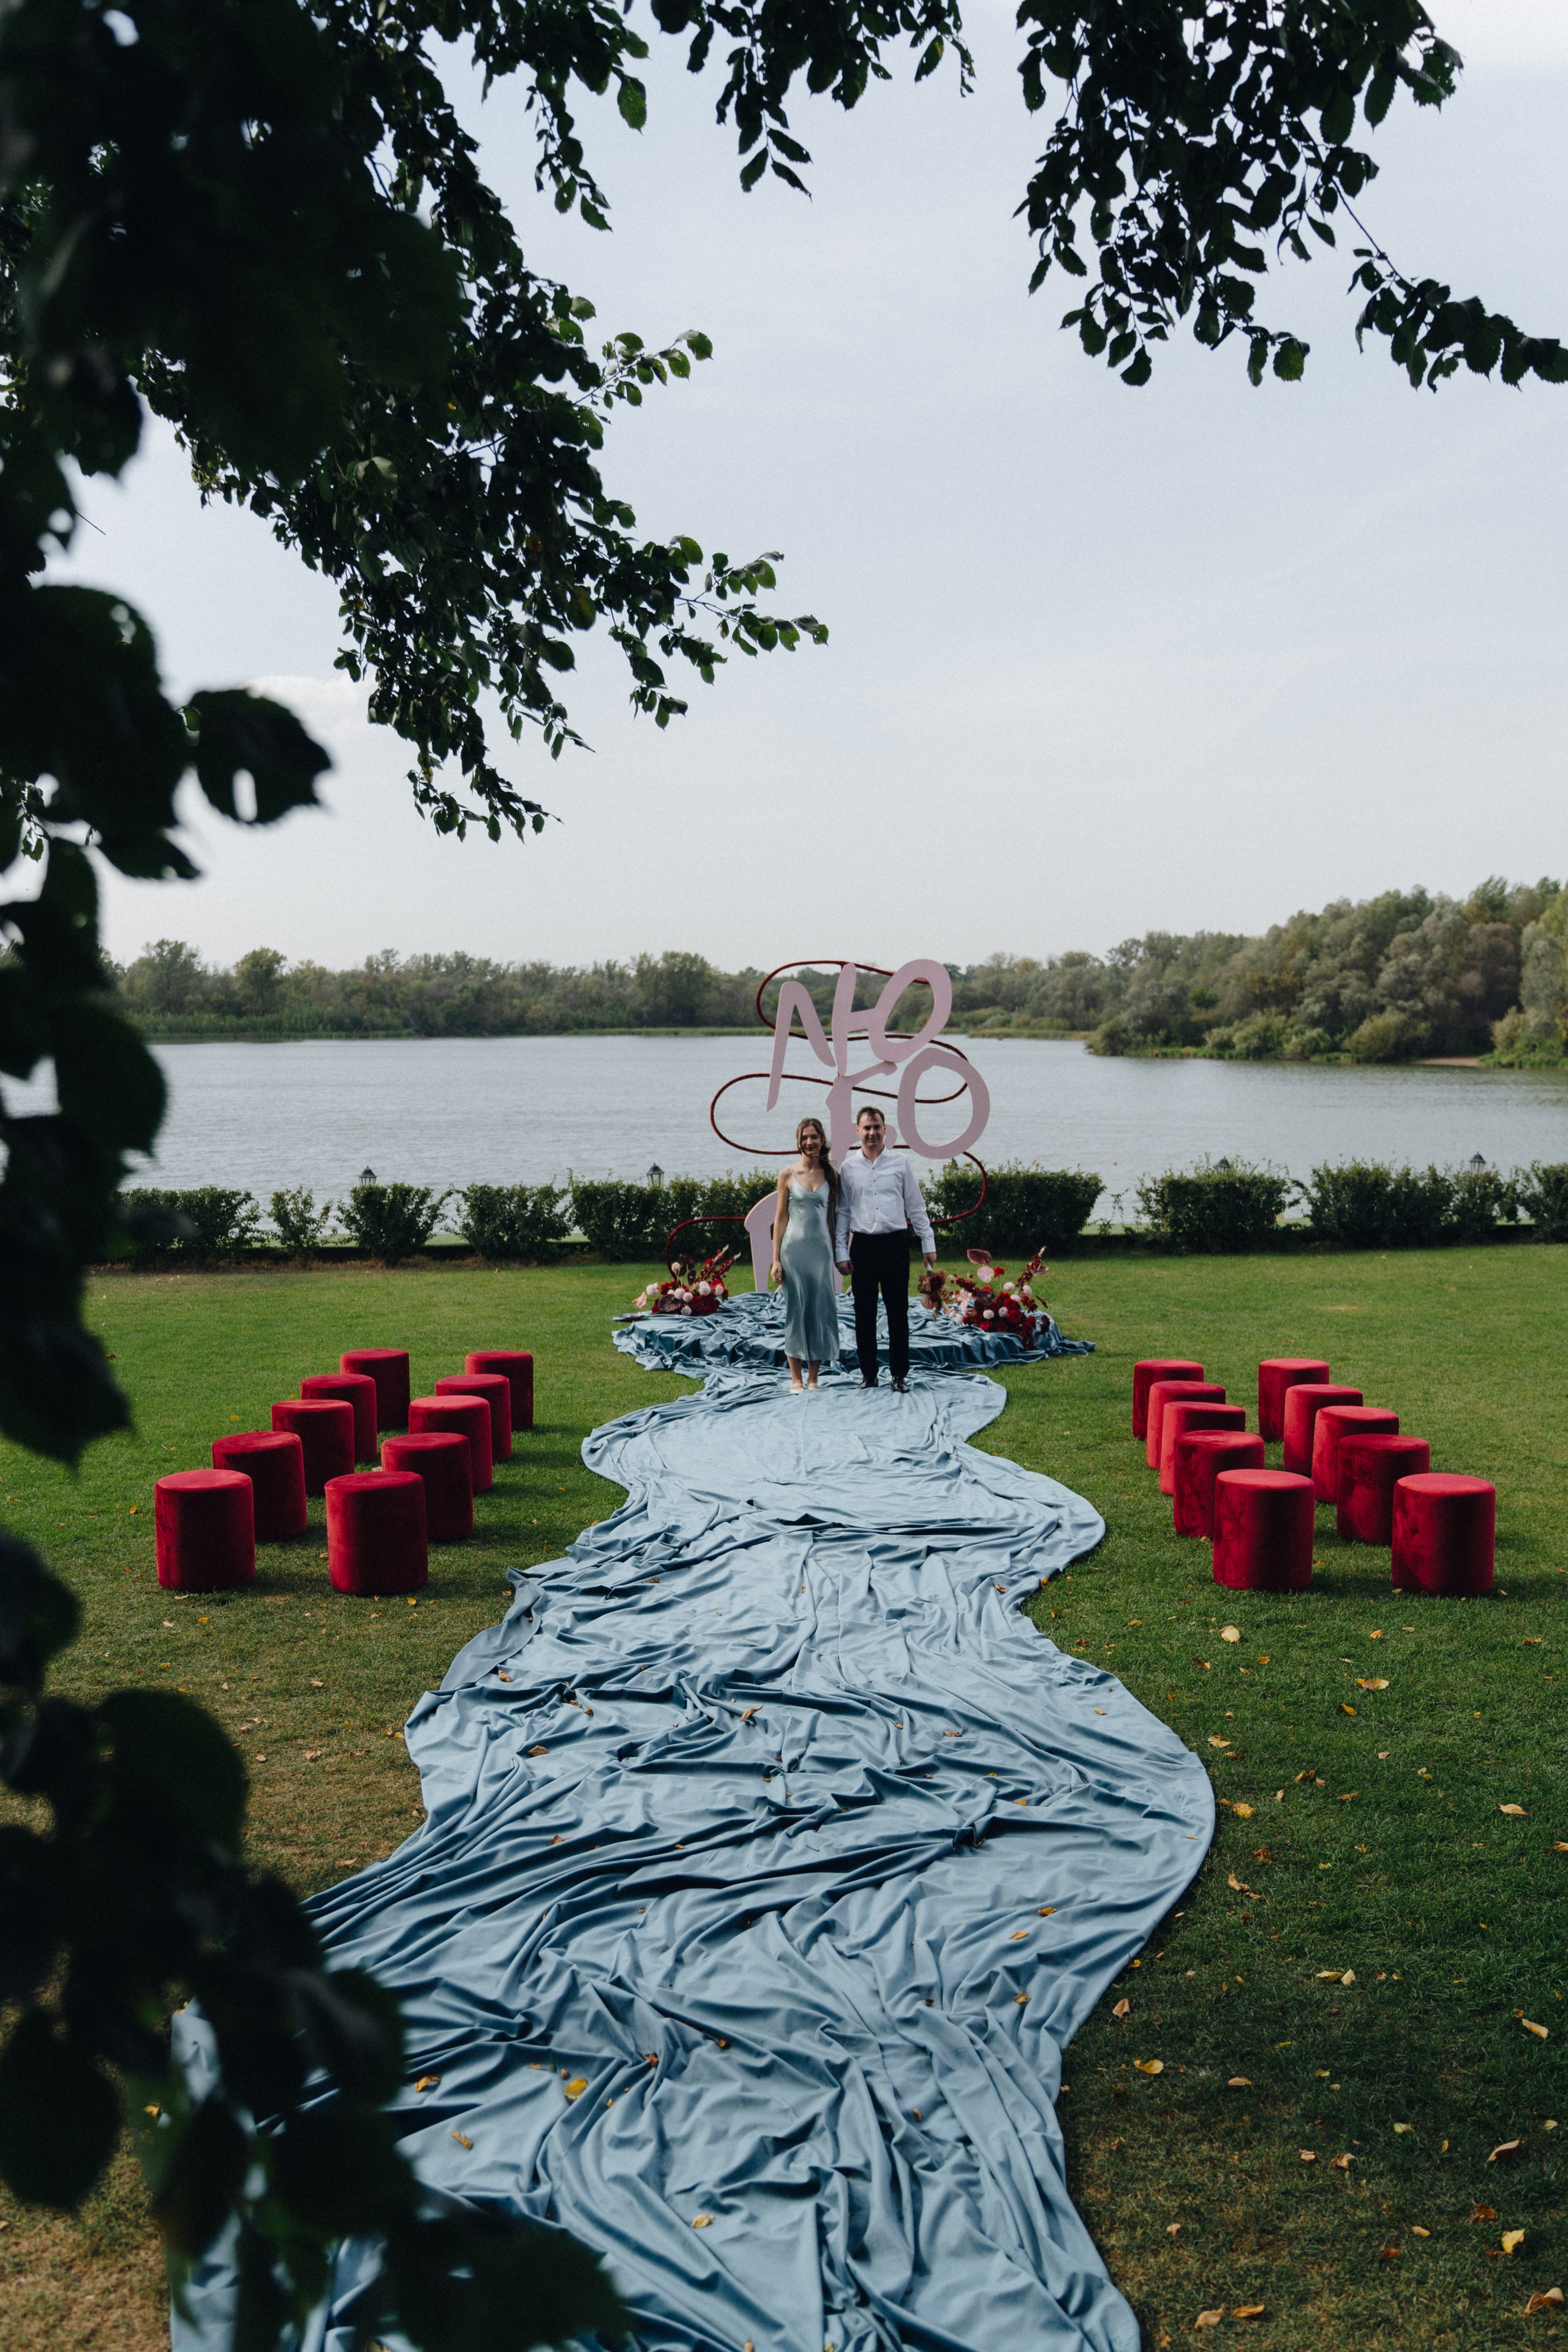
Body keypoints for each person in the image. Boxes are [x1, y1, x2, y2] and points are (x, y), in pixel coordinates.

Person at [833, 1104, 936, 1393]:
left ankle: (899, 1374)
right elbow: (842, 1212)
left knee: (897, 1312)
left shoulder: (901, 1163)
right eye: (866, 1128)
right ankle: (868, 1373)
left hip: (895, 1245)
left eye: (877, 1127)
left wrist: (928, 1243)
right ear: (858, 1131)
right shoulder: (849, 1168)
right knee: (863, 1313)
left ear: (885, 1129)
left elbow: (916, 1207)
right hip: (863, 1247)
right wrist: (841, 1252)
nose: (872, 1133)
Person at [769, 1115, 841, 1393]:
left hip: (821, 1254)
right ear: (798, 1142)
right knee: (795, 1312)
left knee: (820, 1311)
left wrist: (839, 1253)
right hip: (793, 1253)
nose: (809, 1142)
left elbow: (834, 1220)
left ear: (822, 1140)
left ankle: (814, 1378)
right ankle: (796, 1378)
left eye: (814, 1137)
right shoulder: (787, 1174)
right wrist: (775, 1260)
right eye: (804, 1137)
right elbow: (781, 1219)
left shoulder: (831, 1175)